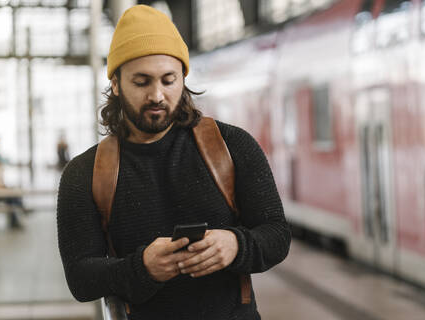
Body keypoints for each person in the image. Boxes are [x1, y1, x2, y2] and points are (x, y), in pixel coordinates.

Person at [57, 5, 291, 320]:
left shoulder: (232, 146)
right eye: (142, 82)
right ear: (116, 83)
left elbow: (276, 234)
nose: (157, 95)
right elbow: (81, 279)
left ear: (183, 78)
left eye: (169, 80)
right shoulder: (84, 173)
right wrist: (142, 269)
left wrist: (236, 244)